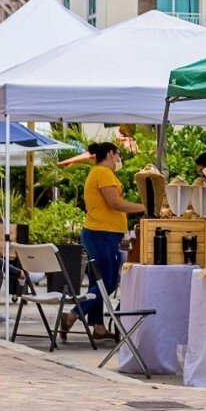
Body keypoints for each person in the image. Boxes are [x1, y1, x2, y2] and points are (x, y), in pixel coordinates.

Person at [62, 143, 144, 339]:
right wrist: (144, 207)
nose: (119, 159)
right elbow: (115, 203)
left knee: (97, 281)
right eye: (118, 155)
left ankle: (98, 326)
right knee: (107, 283)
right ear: (110, 153)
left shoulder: (99, 173)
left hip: (100, 233)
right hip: (101, 234)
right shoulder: (103, 173)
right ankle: (72, 315)